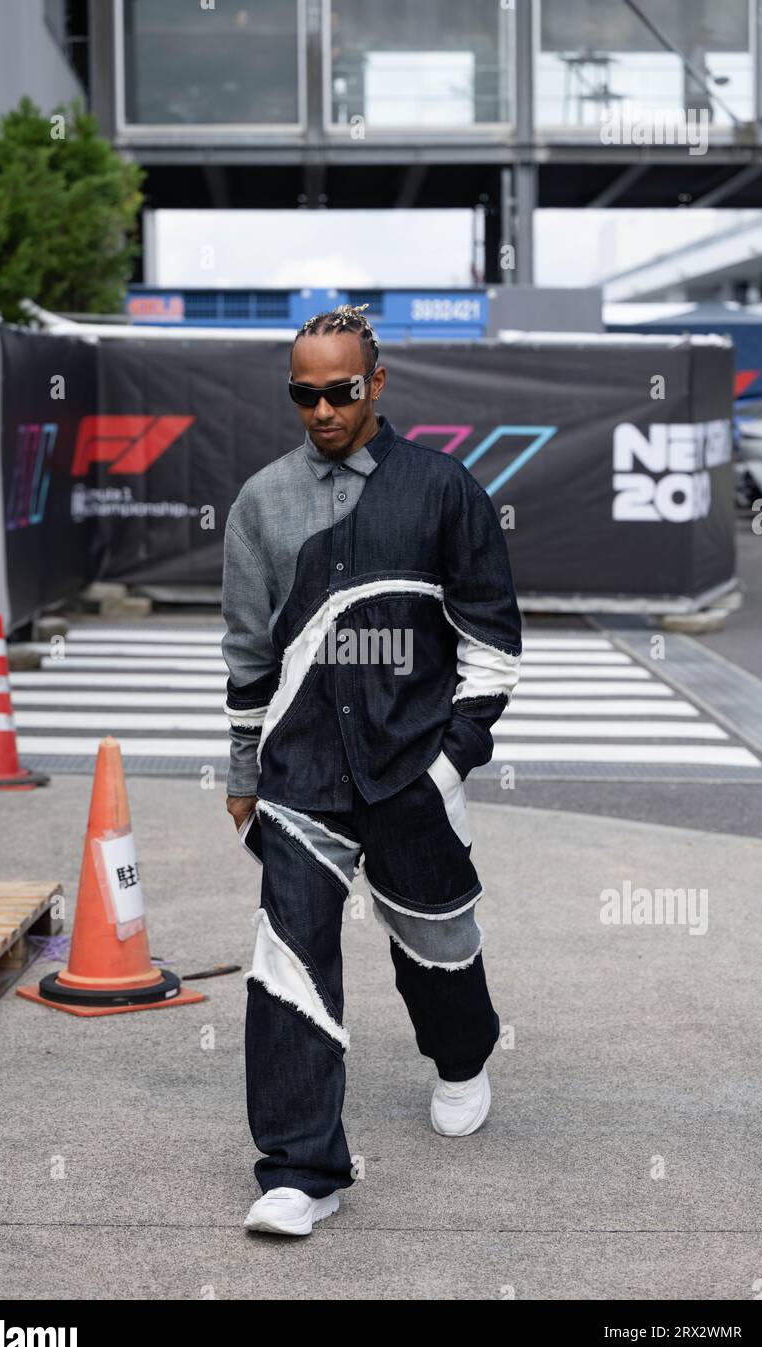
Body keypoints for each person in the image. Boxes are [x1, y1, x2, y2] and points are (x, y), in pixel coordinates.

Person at [221, 304, 522, 1237]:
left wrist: (450, 761)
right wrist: (243, 771)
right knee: (290, 960)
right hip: (301, 775)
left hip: (411, 773)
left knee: (440, 946)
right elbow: (246, 656)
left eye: (339, 392)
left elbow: (493, 646)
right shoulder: (262, 503)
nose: (321, 411)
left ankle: (464, 1056)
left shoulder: (441, 490)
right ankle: (302, 1171)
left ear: (376, 384)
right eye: (303, 395)